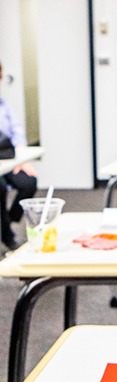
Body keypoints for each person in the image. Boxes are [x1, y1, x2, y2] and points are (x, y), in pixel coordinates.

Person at [0, 60, 38, 250]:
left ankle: (7, 219)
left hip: (7, 158)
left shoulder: (4, 105)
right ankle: (7, 235)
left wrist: (22, 160)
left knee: (29, 182)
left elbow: (17, 131)